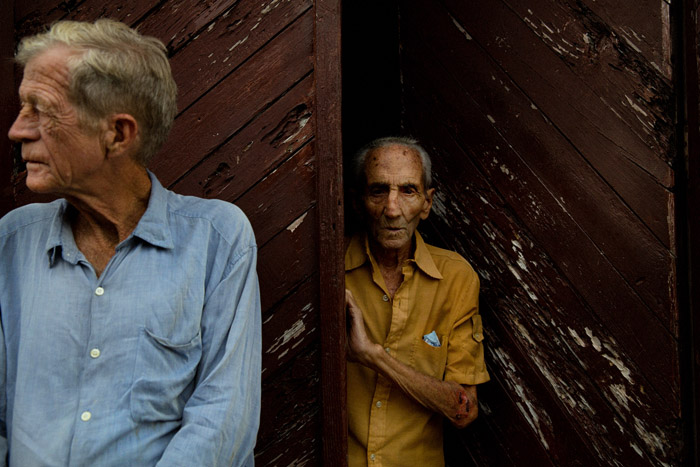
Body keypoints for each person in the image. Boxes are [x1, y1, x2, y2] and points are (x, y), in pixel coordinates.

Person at [0, 19, 261, 466]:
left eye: (41, 110)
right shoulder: (12, 241)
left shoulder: (216, 239)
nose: (18, 130)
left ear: (117, 134)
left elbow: (223, 421)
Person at [345, 136, 490, 466]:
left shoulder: (455, 279)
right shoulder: (329, 270)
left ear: (427, 203)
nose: (392, 209)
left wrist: (373, 357)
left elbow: (464, 409)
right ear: (357, 201)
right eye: (379, 190)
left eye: (408, 191)